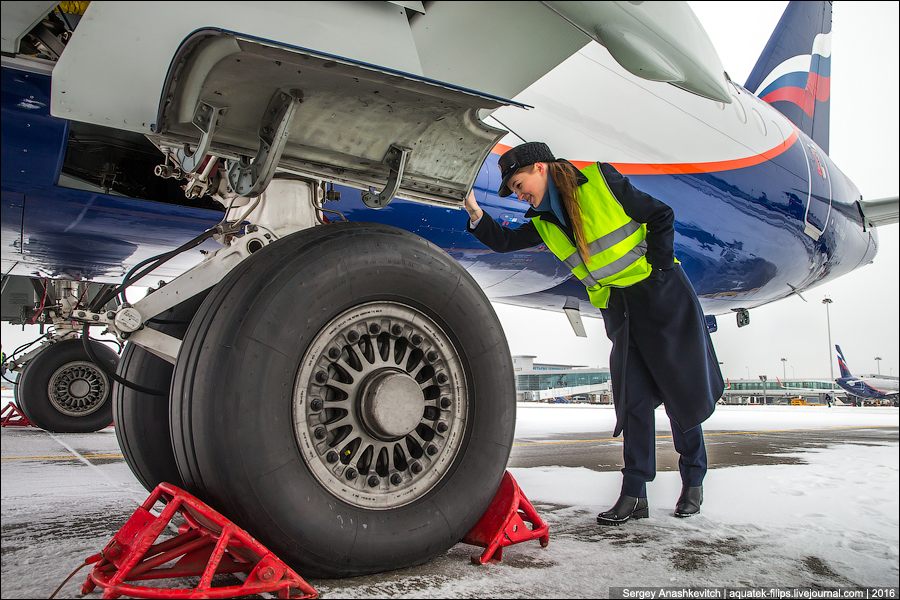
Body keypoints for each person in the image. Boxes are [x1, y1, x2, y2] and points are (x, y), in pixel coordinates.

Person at [464, 142, 724, 524]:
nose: (520, 195)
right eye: (515, 191)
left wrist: (661, 268)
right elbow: (503, 242)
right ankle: (635, 494)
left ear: (540, 168)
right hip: (622, 310)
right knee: (632, 400)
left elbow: (660, 215)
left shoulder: (601, 181)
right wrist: (473, 210)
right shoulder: (543, 220)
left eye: (520, 185)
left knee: (679, 393)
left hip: (661, 295)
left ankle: (694, 481)